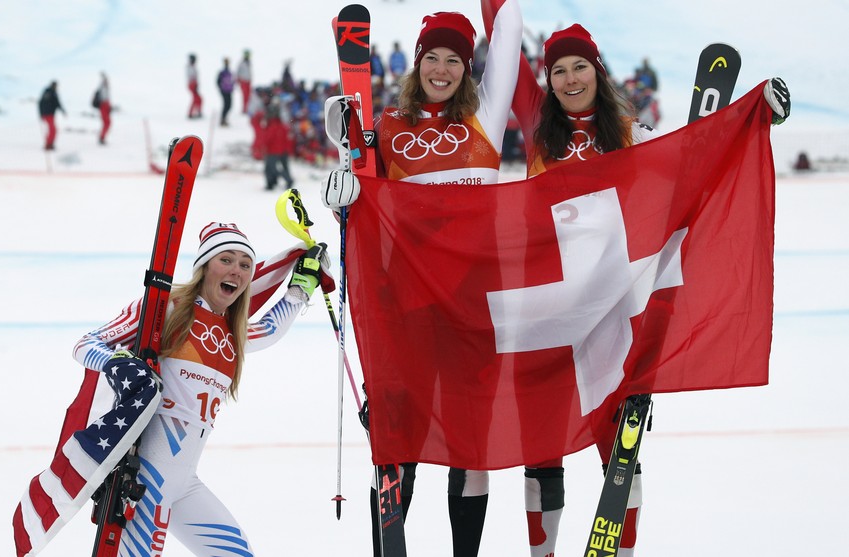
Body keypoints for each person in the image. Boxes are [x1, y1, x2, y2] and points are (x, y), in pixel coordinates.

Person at [504, 21, 792, 557]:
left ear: (598, 71)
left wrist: (756, 115)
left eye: (579, 67)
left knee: (622, 456)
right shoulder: (538, 133)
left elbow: (697, 162)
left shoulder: (633, 136)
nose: (569, 79)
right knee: (541, 453)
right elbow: (500, 33)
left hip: (613, 319)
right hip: (548, 315)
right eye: (559, 71)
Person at [321, 4, 522, 556]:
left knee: (469, 446)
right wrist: (340, 187)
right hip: (405, 307)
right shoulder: (387, 126)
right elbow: (362, 211)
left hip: (475, 311)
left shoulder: (485, 113)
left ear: (468, 66)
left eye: (454, 59)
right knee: (398, 443)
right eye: (431, 57)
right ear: (416, 63)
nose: (441, 69)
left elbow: (509, 31)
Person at [72, 222, 329, 556]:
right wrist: (118, 364)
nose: (236, 271)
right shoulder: (167, 307)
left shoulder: (231, 333)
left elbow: (269, 329)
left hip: (184, 485)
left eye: (245, 265)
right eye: (227, 259)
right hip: (146, 483)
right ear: (205, 266)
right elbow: (86, 344)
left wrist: (301, 286)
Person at [263, 106, 295, 190]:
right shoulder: (281, 125)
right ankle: (274, 182)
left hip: (273, 150)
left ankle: (284, 180)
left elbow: (267, 139)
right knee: (281, 167)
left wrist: (263, 146)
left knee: (270, 168)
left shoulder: (272, 126)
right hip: (282, 150)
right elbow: (287, 138)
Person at [38, 80, 65, 151]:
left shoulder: (48, 92)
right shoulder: (51, 93)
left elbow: (40, 103)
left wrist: (41, 114)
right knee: (53, 129)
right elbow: (57, 103)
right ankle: (48, 144)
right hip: (48, 114)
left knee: (52, 129)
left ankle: (50, 143)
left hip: (48, 114)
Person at [94, 72, 111, 145]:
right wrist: (103, 77)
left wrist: (109, 107)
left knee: (108, 123)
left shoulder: (106, 87)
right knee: (107, 123)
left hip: (106, 105)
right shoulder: (102, 87)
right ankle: (101, 138)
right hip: (103, 105)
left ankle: (102, 137)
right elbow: (102, 93)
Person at [217, 57, 234, 126]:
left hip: (229, 91)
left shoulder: (229, 72)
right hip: (224, 91)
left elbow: (232, 81)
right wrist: (221, 89)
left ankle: (224, 118)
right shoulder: (222, 72)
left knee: (229, 105)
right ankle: (223, 119)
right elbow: (218, 81)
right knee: (226, 105)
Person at [187, 53, 202, 119]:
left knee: (199, 99)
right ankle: (191, 113)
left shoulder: (192, 67)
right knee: (195, 99)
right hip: (192, 84)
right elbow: (191, 77)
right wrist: (194, 85)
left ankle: (197, 111)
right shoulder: (190, 67)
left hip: (194, 84)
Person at [237, 49, 253, 114]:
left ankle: (248, 108)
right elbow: (238, 72)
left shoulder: (249, 62)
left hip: (248, 81)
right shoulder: (241, 63)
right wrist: (239, 80)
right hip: (243, 81)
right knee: (245, 95)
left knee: (249, 96)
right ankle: (244, 109)